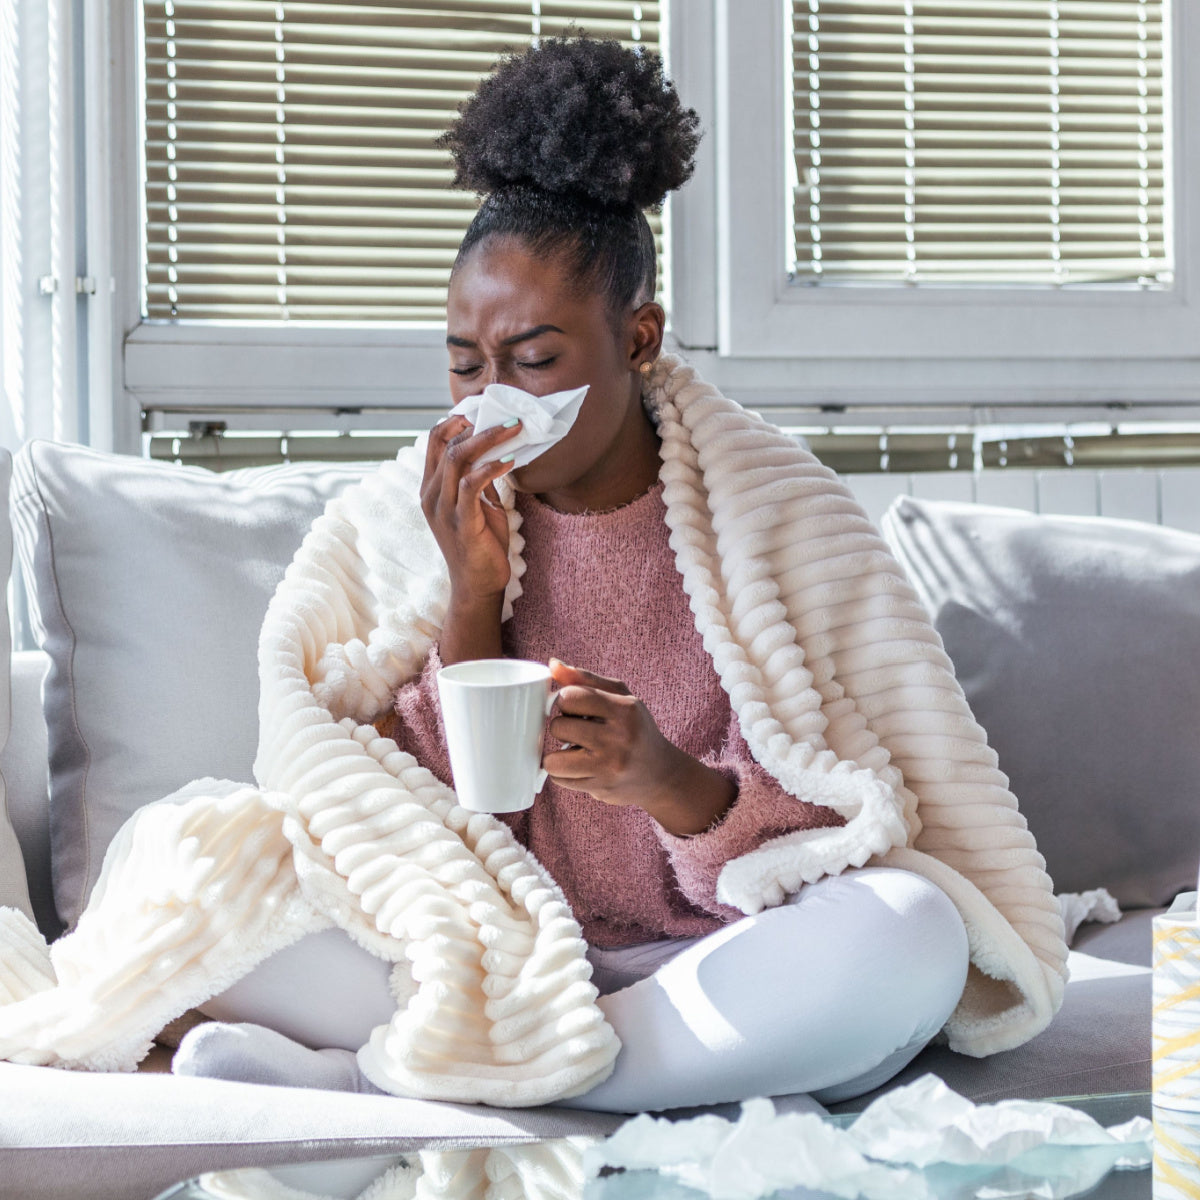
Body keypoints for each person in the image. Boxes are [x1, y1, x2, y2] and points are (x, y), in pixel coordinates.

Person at [176, 30, 971, 1112]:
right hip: (493, 945)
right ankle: (583, 1071)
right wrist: (466, 597)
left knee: (913, 936)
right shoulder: (420, 515)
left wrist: (668, 783)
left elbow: (853, 820)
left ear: (637, 337)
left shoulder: (777, 513)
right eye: (465, 361)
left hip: (719, 960)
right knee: (194, 865)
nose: (492, 395)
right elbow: (412, 824)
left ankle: (404, 1080)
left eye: (536, 359)